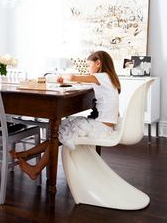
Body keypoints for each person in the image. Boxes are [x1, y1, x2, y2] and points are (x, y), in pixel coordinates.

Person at [10, 50, 121, 180]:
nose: (88, 69)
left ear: (98, 63)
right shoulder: (108, 78)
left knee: (58, 134)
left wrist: (61, 76)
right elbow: (80, 81)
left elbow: (74, 78)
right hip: (104, 125)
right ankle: (26, 154)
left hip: (101, 128)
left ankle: (35, 169)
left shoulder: (102, 76)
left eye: (89, 65)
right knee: (60, 132)